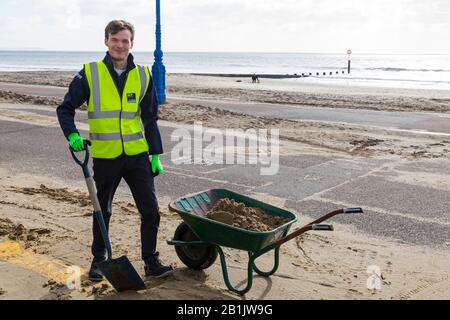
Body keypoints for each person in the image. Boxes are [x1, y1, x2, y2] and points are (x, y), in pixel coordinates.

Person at [56, 20, 173, 281]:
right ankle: (99, 259)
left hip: (137, 156)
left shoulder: (143, 74)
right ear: (106, 41)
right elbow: (65, 108)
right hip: (106, 156)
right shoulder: (90, 73)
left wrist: (155, 155)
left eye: (125, 41)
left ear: (132, 43)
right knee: (103, 210)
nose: (120, 45)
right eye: (115, 40)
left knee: (151, 210)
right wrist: (72, 135)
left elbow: (150, 118)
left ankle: (151, 261)